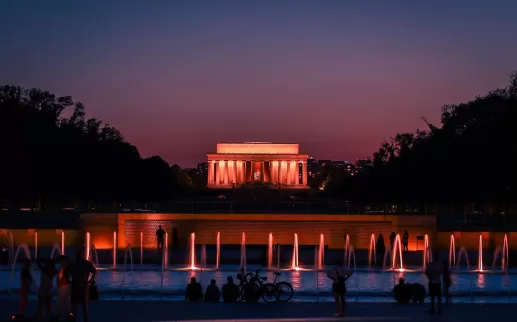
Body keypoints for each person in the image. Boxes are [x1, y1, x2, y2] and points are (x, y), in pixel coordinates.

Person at [68, 248, 97, 322]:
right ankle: (85, 319)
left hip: (76, 285)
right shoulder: (86, 263)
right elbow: (95, 272)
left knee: (74, 304)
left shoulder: (73, 263)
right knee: (84, 305)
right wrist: (90, 281)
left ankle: (73, 318)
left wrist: (69, 281)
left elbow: (66, 273)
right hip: (83, 285)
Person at [56, 256, 71, 321]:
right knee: (67, 301)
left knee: (60, 301)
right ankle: (69, 314)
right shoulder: (68, 268)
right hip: (67, 286)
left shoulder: (63, 268)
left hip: (62, 286)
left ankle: (59, 316)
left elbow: (60, 277)